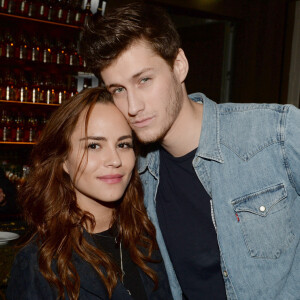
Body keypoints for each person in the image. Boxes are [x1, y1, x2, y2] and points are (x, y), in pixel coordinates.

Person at [80, 3, 300, 300]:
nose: (133, 107)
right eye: (118, 89)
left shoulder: (276, 133)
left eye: (144, 80)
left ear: (179, 65)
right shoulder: (134, 173)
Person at [6, 87, 173, 300]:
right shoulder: (38, 263)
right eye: (94, 146)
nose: (115, 160)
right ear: (64, 159)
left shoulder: (149, 237)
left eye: (123, 144)